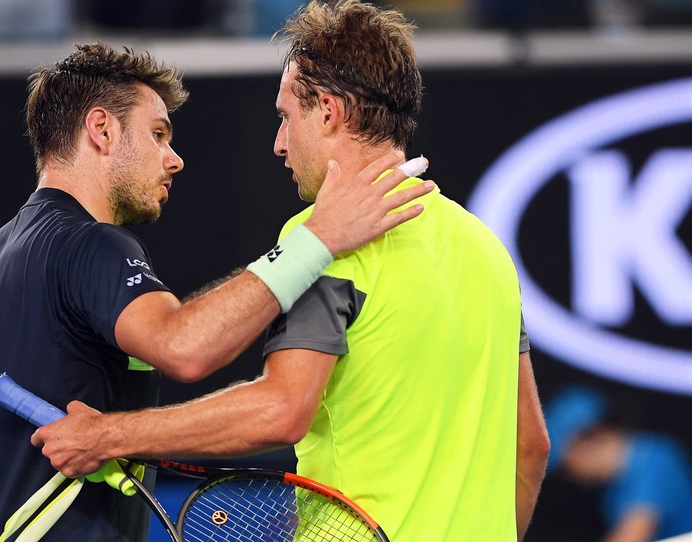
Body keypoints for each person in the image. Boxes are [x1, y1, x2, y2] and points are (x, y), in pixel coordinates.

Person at [31, 2, 551, 540]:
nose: (279, 143)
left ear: (328, 111)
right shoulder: (486, 249)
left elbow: (281, 410)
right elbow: (531, 445)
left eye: (286, 116)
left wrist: (109, 436)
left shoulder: (325, 242)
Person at [0, 41, 435, 541]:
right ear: (101, 129)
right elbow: (185, 347)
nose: (174, 160)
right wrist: (319, 236)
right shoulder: (92, 245)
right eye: (158, 134)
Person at [544, 385, 692, 542]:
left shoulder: (655, 459)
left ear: (587, 440)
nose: (572, 477)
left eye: (566, 468)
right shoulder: (614, 486)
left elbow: (633, 533)